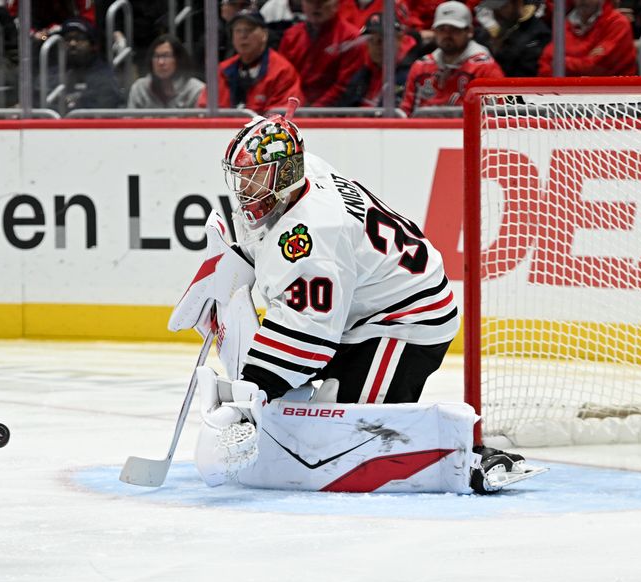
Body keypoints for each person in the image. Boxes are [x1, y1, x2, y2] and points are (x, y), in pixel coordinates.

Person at [199, 109, 536, 493]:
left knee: (351, 438)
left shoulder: (314, 233)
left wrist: (253, 388)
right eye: (241, 176)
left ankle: (472, 459)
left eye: (256, 177)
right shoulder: (304, 173)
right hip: (359, 311)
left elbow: (308, 335)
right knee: (305, 407)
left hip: (406, 321)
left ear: (286, 174)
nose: (245, 188)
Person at [400, 1, 503, 116]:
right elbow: (406, 112)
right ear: (434, 31)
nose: (447, 35)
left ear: (469, 31)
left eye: (454, 29)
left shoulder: (485, 68)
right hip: (423, 132)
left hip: (470, 133)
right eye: (442, 29)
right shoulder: (421, 67)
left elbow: (494, 118)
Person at [198, 9, 304, 114]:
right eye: (238, 31)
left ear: (264, 35)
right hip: (225, 130)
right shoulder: (222, 71)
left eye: (249, 30)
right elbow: (204, 110)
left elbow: (283, 117)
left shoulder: (282, 71)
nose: (243, 36)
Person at [278, 0, 366, 107]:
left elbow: (345, 85)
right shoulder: (291, 36)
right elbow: (283, 79)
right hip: (294, 106)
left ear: (336, 4)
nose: (316, 7)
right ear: (303, 5)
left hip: (333, 112)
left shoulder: (350, 38)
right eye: (311, 2)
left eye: (323, 2)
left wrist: (314, 110)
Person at [339, 11, 423, 107]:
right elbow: (342, 108)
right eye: (371, 40)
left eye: (382, 39)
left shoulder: (411, 74)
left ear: (399, 39)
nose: (376, 46)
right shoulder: (363, 73)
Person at [38, 16, 124, 111]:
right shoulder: (51, 74)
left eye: (79, 38)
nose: (72, 43)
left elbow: (105, 103)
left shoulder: (104, 74)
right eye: (68, 39)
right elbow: (38, 101)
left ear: (92, 45)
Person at [538, 0, 637, 76]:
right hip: (571, 94)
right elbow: (545, 63)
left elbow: (595, 67)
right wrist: (584, 59)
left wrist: (559, 62)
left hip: (614, 96)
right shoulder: (566, 23)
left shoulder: (617, 23)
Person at [474, 0, 551, 77]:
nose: (495, 13)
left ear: (518, 2)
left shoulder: (540, 35)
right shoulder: (493, 32)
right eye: (493, 8)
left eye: (501, 7)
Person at [127, 34, 204, 109]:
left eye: (166, 56)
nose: (160, 62)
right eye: (156, 56)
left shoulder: (196, 90)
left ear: (179, 59)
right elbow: (129, 121)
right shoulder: (140, 88)